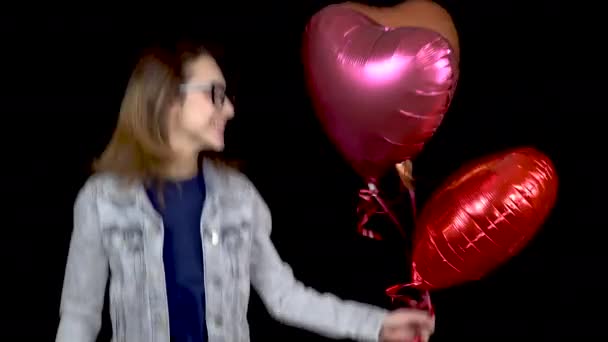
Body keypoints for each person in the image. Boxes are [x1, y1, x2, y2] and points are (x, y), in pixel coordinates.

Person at [55, 41, 435, 342]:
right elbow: (79, 316)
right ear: (168, 98)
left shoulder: (239, 197)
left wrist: (377, 326)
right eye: (215, 94)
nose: (230, 109)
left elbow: (285, 296)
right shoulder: (101, 200)